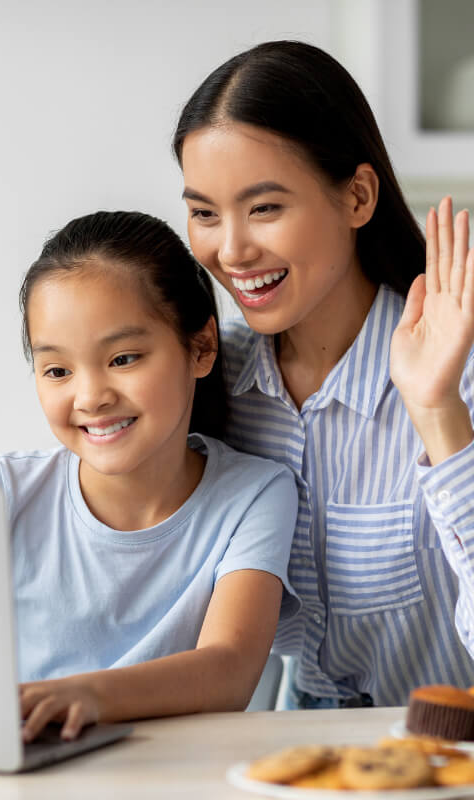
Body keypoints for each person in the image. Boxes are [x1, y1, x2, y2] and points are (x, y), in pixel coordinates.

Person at [0, 210, 299, 740]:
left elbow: (230, 670)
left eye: (123, 358)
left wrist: (87, 695)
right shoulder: (4, 493)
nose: (90, 397)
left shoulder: (255, 494)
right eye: (57, 370)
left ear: (201, 347)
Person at [173, 40, 474, 708]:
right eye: (203, 213)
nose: (231, 249)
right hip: (292, 767)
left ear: (358, 196)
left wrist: (437, 412)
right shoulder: (208, 381)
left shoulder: (457, 370)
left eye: (265, 208)